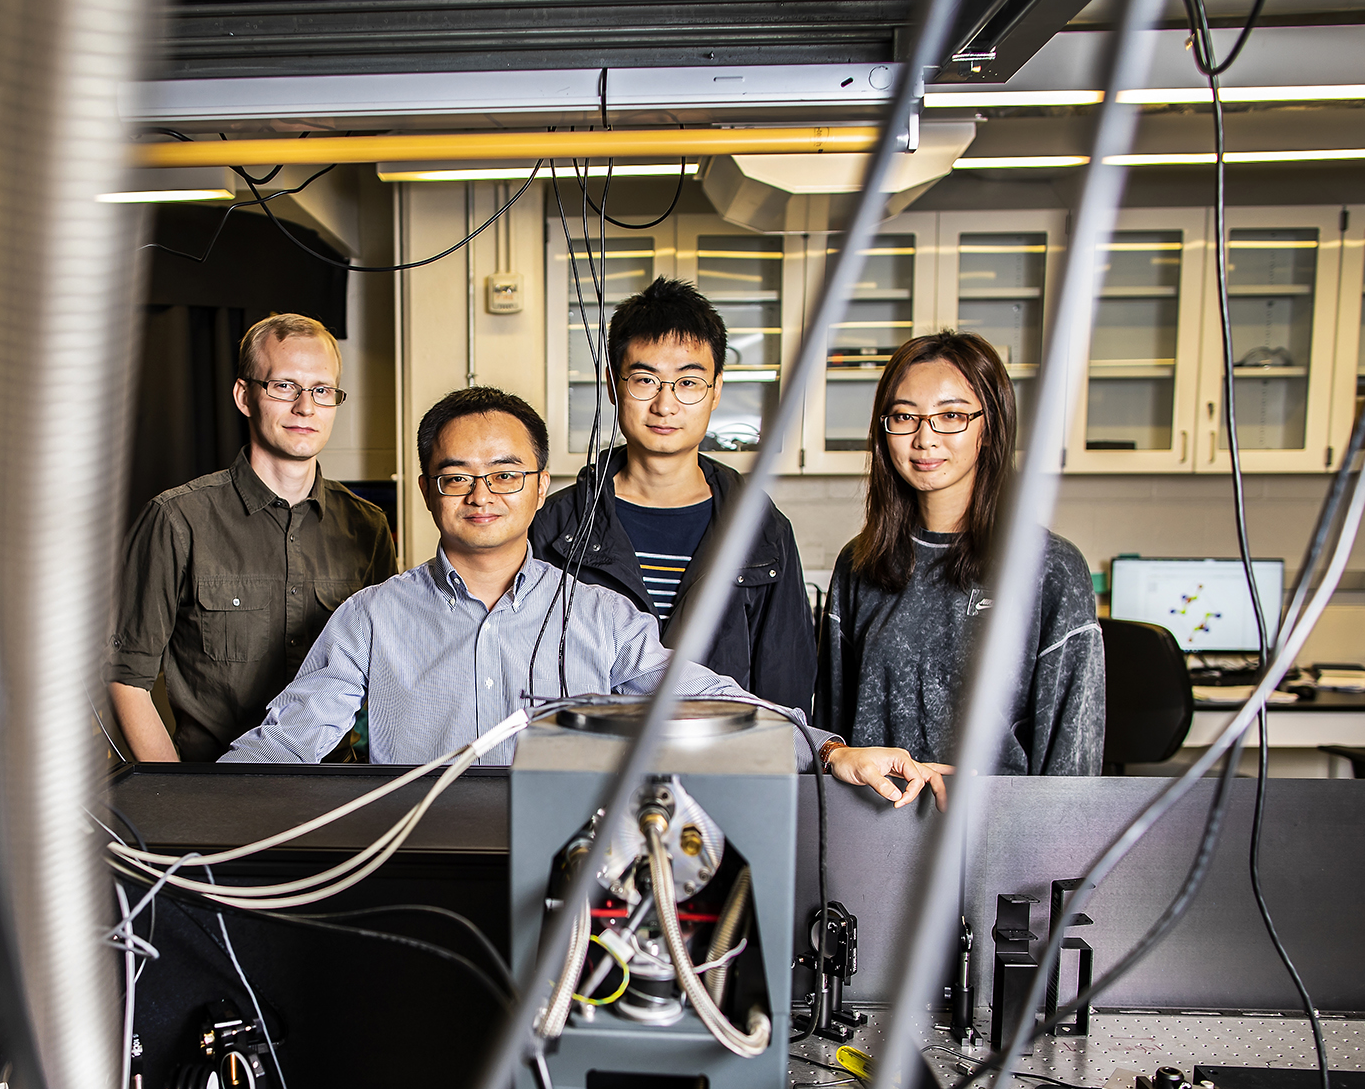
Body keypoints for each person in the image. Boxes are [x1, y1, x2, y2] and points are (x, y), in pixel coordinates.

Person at [225, 386, 947, 810]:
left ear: (543, 488)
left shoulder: (600, 618)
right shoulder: (372, 620)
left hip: (567, 889)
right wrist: (170, 809)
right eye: (457, 477)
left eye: (507, 474)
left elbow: (709, 699)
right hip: (414, 877)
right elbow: (286, 741)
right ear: (428, 492)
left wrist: (829, 752)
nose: (483, 494)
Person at [107, 313, 395, 762]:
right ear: (244, 396)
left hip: (334, 796)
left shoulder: (368, 526)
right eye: (284, 386)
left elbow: (383, 677)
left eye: (321, 390)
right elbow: (126, 678)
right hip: (216, 795)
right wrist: (179, 799)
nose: (305, 407)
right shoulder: (177, 519)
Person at [821, 331, 1103, 775]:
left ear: (988, 428)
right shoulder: (859, 566)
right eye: (904, 416)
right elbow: (832, 737)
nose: (924, 439)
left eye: (950, 415)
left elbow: (1073, 765)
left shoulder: (1051, 569)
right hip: (870, 829)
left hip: (998, 835)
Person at [531, 278, 814, 713]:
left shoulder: (761, 528)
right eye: (645, 380)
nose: (665, 405)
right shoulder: (556, 524)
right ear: (612, 385)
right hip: (592, 762)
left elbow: (784, 687)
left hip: (718, 765)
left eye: (688, 383)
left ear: (716, 389)